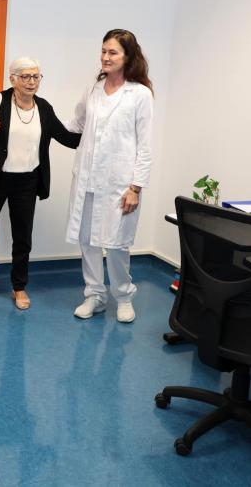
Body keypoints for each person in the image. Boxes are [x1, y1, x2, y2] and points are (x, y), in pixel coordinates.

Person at [0, 57, 80, 313]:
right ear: (12, 79)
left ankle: (19, 286)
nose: (32, 82)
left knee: (23, 238)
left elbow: (66, 138)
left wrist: (96, 131)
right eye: (25, 77)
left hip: (27, 183)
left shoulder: (43, 108)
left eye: (36, 76)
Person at [68, 29, 154, 323]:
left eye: (112, 52)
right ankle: (95, 295)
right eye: (103, 51)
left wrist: (136, 188)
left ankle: (124, 297)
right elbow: (76, 124)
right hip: (88, 180)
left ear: (128, 56)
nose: (105, 57)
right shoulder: (93, 89)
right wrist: (41, 119)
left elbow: (145, 146)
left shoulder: (139, 94)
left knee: (117, 244)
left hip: (120, 184)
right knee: (88, 242)